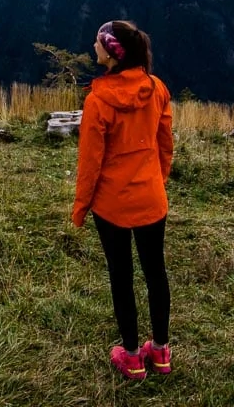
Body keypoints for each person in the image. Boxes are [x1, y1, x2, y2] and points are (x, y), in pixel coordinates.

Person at [71, 19, 174, 381]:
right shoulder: (156, 87)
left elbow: (90, 162)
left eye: (98, 42)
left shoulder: (98, 100)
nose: (93, 46)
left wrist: (81, 207)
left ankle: (131, 357)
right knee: (155, 272)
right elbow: (165, 144)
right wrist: (156, 181)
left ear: (112, 54)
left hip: (112, 204)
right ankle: (160, 352)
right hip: (151, 197)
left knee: (121, 275)